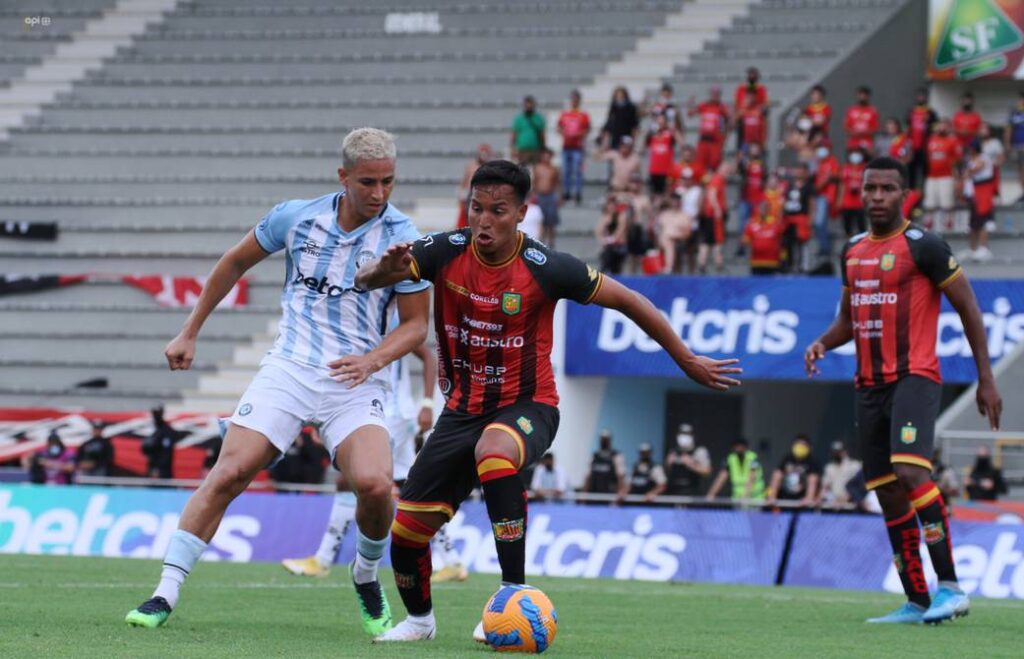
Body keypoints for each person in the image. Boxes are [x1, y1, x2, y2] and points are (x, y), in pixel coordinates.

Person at [355, 159, 741, 642]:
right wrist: (381, 271)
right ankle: (419, 622)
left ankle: (513, 593)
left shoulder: (549, 267)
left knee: (494, 453)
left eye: (498, 211)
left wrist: (685, 358)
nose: (483, 221)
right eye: (476, 208)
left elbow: (630, 300)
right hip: (461, 413)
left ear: (522, 213)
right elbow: (367, 278)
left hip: (528, 406)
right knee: (407, 533)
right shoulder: (444, 251)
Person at [124, 128, 432, 638]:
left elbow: (417, 326)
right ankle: (164, 592)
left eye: (388, 182)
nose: (379, 193)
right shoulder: (296, 217)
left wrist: (372, 361)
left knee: (377, 486)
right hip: (290, 367)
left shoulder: (405, 239)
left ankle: (364, 574)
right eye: (368, 182)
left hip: (355, 379)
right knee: (229, 472)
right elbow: (234, 261)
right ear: (343, 177)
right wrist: (190, 330)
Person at [805, 156, 1002, 624]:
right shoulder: (852, 250)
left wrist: (986, 378)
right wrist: (823, 342)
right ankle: (917, 601)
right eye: (870, 188)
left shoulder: (925, 246)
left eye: (887, 189)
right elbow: (848, 320)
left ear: (905, 195)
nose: (877, 197)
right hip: (868, 385)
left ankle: (950, 587)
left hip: (914, 376)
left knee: (911, 472)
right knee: (889, 493)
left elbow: (969, 308)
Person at [923, 119, 961, 233]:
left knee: (947, 201)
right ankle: (929, 220)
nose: (942, 128)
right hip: (931, 175)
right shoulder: (931, 139)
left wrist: (956, 175)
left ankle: (948, 220)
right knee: (930, 200)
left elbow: (957, 158)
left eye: (944, 126)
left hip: (946, 175)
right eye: (940, 126)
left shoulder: (953, 141)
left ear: (949, 128)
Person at [963, 141, 996, 263]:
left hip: (983, 193)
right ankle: (972, 249)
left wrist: (967, 171)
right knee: (973, 223)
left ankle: (984, 249)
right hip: (973, 194)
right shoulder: (970, 159)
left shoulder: (983, 158)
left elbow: (975, 169)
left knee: (983, 222)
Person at [767, 435, 821, 507]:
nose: (800, 447)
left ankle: (808, 498)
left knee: (813, 477)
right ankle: (771, 497)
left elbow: (815, 480)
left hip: (802, 497)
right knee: (777, 473)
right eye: (798, 444)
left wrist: (811, 498)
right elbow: (778, 474)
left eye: (803, 445)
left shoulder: (812, 461)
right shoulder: (788, 459)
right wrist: (771, 495)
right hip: (786, 493)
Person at [557, 89, 590, 205]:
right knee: (566, 171)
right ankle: (567, 192)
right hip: (566, 146)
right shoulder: (565, 114)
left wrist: (577, 134)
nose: (574, 101)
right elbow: (559, 127)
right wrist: (564, 133)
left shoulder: (583, 115)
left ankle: (577, 193)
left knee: (577, 171)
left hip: (578, 147)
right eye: (573, 99)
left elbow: (587, 130)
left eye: (576, 99)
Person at [706, 438, 765, 502]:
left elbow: (752, 477)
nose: (739, 448)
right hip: (738, 498)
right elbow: (722, 477)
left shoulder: (752, 457)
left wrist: (746, 495)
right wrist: (711, 495)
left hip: (755, 498)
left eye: (741, 446)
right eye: (737, 446)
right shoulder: (730, 459)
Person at [697, 159, 730, 273]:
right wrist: (717, 209)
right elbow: (712, 194)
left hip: (710, 214)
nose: (728, 171)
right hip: (713, 215)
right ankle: (717, 264)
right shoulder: (718, 178)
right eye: (726, 168)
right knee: (716, 241)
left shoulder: (718, 179)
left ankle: (704, 264)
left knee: (708, 240)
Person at [743, 186, 785, 275]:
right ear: (758, 208)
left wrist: (783, 257)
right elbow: (745, 241)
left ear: (769, 209)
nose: (763, 210)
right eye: (761, 207)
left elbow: (782, 242)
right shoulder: (752, 223)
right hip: (756, 262)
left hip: (772, 262)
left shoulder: (775, 224)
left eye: (766, 207)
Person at [781, 162, 813, 273]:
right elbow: (784, 200)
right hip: (789, 218)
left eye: (801, 170)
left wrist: (810, 219)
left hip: (802, 218)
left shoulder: (808, 186)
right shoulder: (789, 185)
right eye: (797, 169)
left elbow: (811, 204)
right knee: (788, 242)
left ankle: (803, 266)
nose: (798, 172)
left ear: (805, 172)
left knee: (802, 243)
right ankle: (790, 264)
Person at [688, 86, 729, 172]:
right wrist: (691, 103)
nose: (714, 96)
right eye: (713, 94)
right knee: (700, 165)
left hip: (715, 142)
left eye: (717, 94)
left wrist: (723, 140)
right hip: (703, 141)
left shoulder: (722, 108)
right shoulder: (704, 105)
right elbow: (690, 114)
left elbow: (727, 124)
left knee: (714, 165)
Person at [663, 423, 711, 497]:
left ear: (692, 436)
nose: (684, 437)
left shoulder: (699, 451)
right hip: (674, 491)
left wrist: (691, 464)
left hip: (691, 492)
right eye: (682, 433)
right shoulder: (673, 451)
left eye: (687, 434)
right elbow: (665, 474)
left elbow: (707, 471)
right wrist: (668, 464)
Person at [735, 141, 767, 252]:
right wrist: (741, 160)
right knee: (743, 223)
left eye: (756, 149)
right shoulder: (746, 162)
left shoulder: (762, 164)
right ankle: (741, 246)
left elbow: (765, 178)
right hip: (746, 197)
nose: (754, 151)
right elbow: (739, 170)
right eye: (753, 148)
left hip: (758, 198)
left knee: (757, 222)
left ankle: (757, 245)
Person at [582, 429, 627, 501]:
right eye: (602, 439)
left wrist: (620, 493)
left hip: (610, 496)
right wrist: (584, 495)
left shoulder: (616, 456)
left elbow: (620, 476)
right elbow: (588, 477)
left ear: (610, 440)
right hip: (593, 495)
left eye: (606, 439)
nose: (604, 441)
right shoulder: (594, 456)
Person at [907, 88, 938, 191]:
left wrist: (928, 123)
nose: (920, 98)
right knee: (912, 171)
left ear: (926, 98)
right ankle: (911, 194)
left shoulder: (930, 112)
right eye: (919, 96)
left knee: (925, 171)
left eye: (923, 96)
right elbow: (908, 128)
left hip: (925, 147)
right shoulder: (912, 111)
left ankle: (925, 193)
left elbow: (935, 128)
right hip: (913, 147)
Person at [813, 143, 840, 257]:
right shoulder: (818, 163)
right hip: (818, 196)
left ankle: (825, 248)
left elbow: (835, 177)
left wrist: (823, 182)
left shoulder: (832, 162)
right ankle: (824, 247)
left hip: (827, 196)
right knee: (819, 223)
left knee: (820, 222)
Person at [457, 144, 493, 229]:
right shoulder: (471, 166)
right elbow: (464, 181)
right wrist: (461, 195)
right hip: (471, 193)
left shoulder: (490, 168)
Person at [532, 148, 562, 247]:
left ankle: (552, 243)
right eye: (544, 155)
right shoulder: (537, 168)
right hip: (540, 196)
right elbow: (534, 182)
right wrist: (533, 195)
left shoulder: (554, 169)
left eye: (548, 155)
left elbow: (558, 183)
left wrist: (560, 197)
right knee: (541, 220)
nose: (546, 157)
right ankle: (541, 243)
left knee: (551, 222)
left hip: (550, 196)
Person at [734, 67, 768, 150]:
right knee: (742, 148)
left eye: (754, 74)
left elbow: (765, 108)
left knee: (755, 150)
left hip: (756, 123)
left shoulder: (761, 89)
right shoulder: (741, 88)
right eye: (750, 74)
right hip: (743, 124)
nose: (752, 76)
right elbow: (737, 107)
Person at [644, 113, 677, 200]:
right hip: (654, 171)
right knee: (654, 195)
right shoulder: (652, 136)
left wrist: (673, 130)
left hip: (666, 171)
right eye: (658, 121)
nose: (660, 123)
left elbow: (681, 144)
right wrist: (648, 132)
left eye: (662, 121)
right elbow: (643, 148)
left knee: (666, 195)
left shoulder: (669, 135)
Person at [819, 440, 862, 507]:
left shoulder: (855, 466)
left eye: (839, 452)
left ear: (845, 451)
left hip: (852, 502)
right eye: (835, 452)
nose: (836, 454)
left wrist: (845, 498)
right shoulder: (829, 467)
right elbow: (825, 487)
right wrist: (819, 499)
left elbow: (858, 486)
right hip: (833, 502)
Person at [143, 405, 180, 480]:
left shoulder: (167, 431)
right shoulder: (154, 431)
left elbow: (166, 453)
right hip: (152, 469)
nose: (155, 417)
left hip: (162, 472)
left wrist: (158, 469)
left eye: (157, 414)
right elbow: (146, 449)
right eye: (154, 414)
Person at [596, 194, 630, 275]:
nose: (611, 207)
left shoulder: (621, 215)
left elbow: (620, 231)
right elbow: (598, 230)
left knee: (615, 267)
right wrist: (602, 239)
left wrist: (611, 239)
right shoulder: (606, 217)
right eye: (609, 205)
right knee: (606, 258)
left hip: (619, 246)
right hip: (609, 247)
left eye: (613, 205)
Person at [836, 148, 867, 237]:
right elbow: (842, 185)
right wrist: (839, 200)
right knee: (847, 226)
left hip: (860, 202)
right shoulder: (845, 168)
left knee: (862, 227)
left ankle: (863, 243)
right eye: (853, 153)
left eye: (858, 153)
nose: (855, 156)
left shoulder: (865, 168)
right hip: (847, 202)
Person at [599, 86, 639, 151]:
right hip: (615, 137)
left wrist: (633, 139)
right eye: (617, 96)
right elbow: (609, 122)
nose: (619, 98)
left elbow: (634, 124)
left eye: (621, 96)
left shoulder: (630, 107)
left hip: (626, 135)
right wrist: (605, 138)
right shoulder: (614, 106)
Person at [844, 85, 879, 155]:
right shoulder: (851, 110)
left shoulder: (873, 111)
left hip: (867, 145)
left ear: (868, 96)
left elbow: (875, 129)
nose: (862, 97)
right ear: (857, 96)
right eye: (860, 94)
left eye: (865, 95)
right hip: (853, 144)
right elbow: (846, 128)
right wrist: (854, 133)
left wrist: (862, 133)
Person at [510, 95, 545, 165]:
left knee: (536, 168)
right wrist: (513, 148)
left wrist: (543, 148)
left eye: (530, 104)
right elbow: (514, 134)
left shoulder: (538, 118)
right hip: (523, 149)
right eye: (527, 105)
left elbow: (542, 134)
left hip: (535, 149)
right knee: (523, 168)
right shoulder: (519, 119)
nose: (529, 106)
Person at [1006, 90, 1024, 202]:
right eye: (1021, 99)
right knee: (1020, 170)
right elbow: (1009, 129)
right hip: (1018, 146)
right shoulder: (1014, 112)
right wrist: (1008, 144)